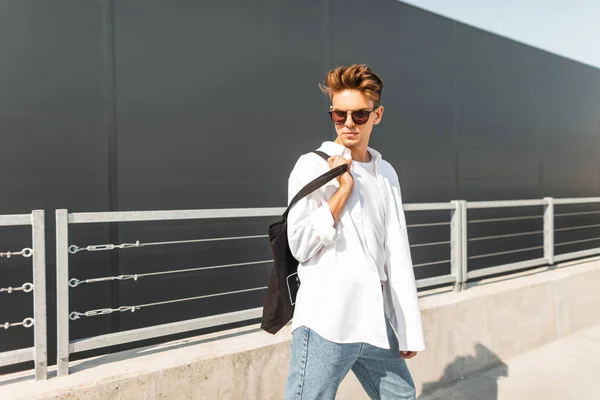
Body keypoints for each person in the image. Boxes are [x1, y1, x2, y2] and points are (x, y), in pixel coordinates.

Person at [284, 64, 425, 400]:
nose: (348, 124)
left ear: (377, 114)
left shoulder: (385, 172)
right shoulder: (312, 165)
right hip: (326, 321)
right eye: (339, 115)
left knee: (400, 396)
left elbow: (396, 250)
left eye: (359, 115)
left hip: (374, 321)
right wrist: (342, 190)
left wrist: (407, 329)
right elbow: (300, 245)